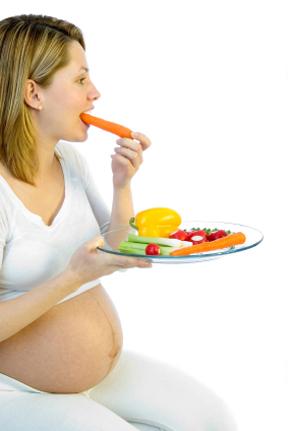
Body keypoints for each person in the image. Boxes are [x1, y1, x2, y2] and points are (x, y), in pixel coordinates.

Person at [0, 14, 237, 431]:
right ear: (32, 93)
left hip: (97, 375)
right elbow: (82, 270)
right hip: (16, 389)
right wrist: (72, 278)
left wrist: (122, 184)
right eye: (79, 81)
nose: (95, 94)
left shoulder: (68, 162)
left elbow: (116, 247)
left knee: (210, 419)